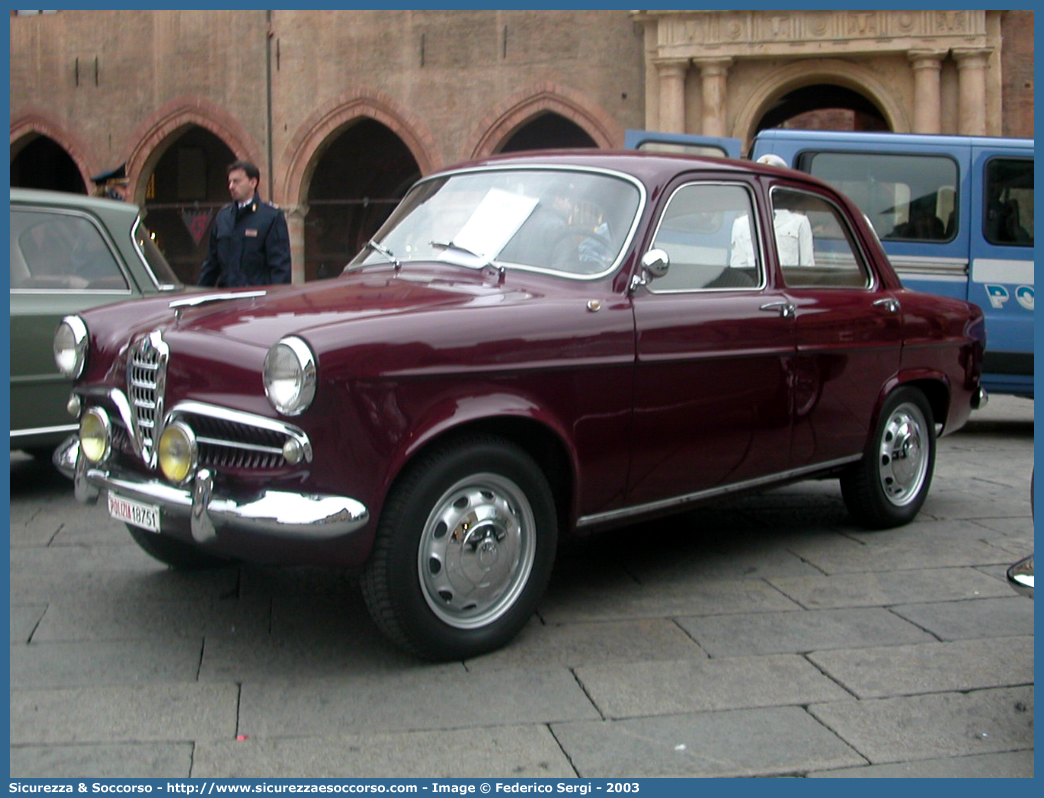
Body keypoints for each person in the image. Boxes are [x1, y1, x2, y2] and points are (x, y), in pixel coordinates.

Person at [198, 160, 291, 287]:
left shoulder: (270, 217)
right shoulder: (223, 217)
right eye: (230, 182)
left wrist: (275, 301)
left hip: (258, 299)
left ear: (253, 183)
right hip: (227, 298)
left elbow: (280, 267)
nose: (231, 186)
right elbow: (211, 264)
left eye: (236, 181)